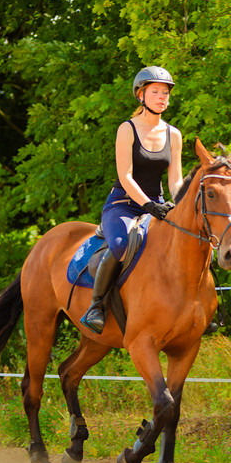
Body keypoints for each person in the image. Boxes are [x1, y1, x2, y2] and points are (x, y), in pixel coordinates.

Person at [80, 66, 183, 334]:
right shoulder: (127, 129)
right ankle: (97, 306)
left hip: (158, 205)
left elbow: (175, 180)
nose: (162, 97)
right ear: (141, 95)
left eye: (166, 92)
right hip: (123, 205)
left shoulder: (174, 134)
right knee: (121, 246)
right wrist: (149, 205)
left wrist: (180, 206)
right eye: (156, 92)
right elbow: (125, 176)